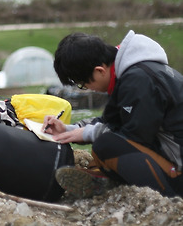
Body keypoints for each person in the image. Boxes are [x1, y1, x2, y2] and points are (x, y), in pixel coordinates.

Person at [43, 29, 183, 199]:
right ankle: (110, 180)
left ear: (99, 71)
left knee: (106, 145)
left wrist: (87, 133)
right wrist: (68, 130)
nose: (88, 89)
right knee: (105, 144)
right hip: (169, 156)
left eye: (83, 84)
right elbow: (111, 121)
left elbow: (134, 136)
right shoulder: (132, 73)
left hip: (178, 169)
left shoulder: (138, 81)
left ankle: (168, 190)